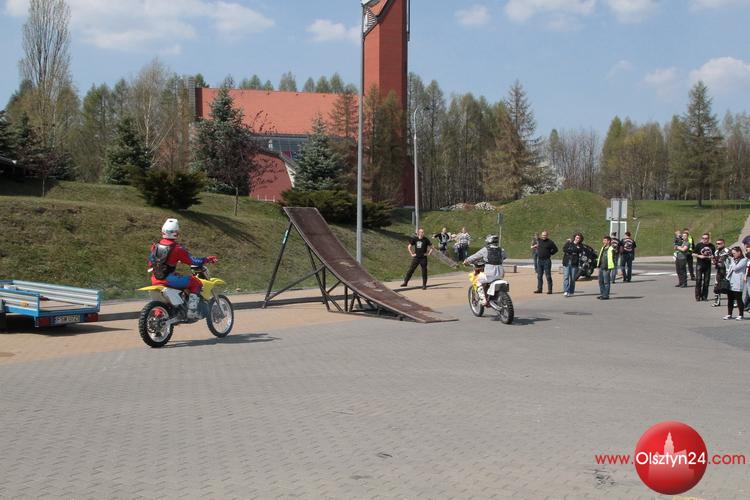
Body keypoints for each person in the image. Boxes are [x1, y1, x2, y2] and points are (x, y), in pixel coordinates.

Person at [148, 218, 217, 315]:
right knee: (196, 282)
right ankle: (192, 311)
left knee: (162, 298)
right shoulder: (177, 248)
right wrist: (207, 259)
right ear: (176, 233)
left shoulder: (155, 246)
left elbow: (151, 263)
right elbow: (193, 261)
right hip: (169, 279)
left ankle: (159, 313)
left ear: (163, 231)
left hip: (155, 279)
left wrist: (171, 261)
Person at [464, 234, 507, 306]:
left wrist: (466, 261)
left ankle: (483, 300)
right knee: (488, 281)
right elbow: (505, 257)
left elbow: (474, 256)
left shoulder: (485, 249)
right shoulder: (501, 249)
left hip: (490, 273)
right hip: (500, 273)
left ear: (489, 241)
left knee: (477, 280)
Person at [723, 246, 747, 320]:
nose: (733, 255)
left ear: (739, 252)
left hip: (738, 282)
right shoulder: (733, 260)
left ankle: (741, 315)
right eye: (732, 253)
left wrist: (731, 259)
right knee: (730, 299)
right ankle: (729, 314)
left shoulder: (744, 260)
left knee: (738, 299)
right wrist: (727, 260)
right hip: (730, 281)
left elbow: (736, 268)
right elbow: (728, 268)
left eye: (734, 253)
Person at [693, 233, 715, 302]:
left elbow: (713, 255)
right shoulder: (699, 245)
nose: (704, 239)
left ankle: (704, 296)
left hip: (707, 265)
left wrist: (711, 257)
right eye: (703, 238)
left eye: (706, 238)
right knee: (698, 280)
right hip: (700, 264)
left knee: (706, 281)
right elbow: (693, 253)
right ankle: (698, 296)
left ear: (708, 239)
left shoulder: (712, 246)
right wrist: (699, 256)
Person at [712, 238, 730, 307]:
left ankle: (733, 301)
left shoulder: (727, 250)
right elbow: (715, 261)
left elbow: (725, 259)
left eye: (719, 243)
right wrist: (714, 261)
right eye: (716, 244)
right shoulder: (716, 252)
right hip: (719, 271)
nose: (717, 245)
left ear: (723, 244)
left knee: (729, 286)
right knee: (717, 285)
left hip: (727, 271)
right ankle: (717, 302)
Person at [597, 235, 615, 300]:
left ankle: (606, 295)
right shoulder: (603, 248)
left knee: (606, 282)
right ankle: (602, 294)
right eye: (603, 240)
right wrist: (598, 265)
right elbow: (600, 256)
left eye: (605, 240)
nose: (603, 241)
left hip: (607, 267)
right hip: (601, 267)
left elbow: (613, 258)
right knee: (600, 281)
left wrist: (611, 266)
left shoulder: (611, 249)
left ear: (608, 241)